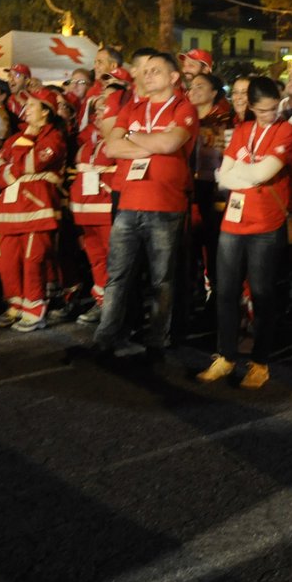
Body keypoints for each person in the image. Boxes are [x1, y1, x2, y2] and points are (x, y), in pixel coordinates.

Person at [76, 52, 198, 362]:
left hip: (165, 204)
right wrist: (151, 139)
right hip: (129, 202)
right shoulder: (133, 107)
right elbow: (112, 146)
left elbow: (170, 145)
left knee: (162, 279)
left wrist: (134, 137)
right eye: (144, 71)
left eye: (156, 71)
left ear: (174, 78)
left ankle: (158, 338)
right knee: (117, 275)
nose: (147, 75)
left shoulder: (183, 107)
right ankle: (106, 337)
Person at [199, 77, 292, 389]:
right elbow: (222, 177)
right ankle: (226, 356)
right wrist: (242, 175)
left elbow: (260, 173)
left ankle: (260, 361)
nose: (268, 115)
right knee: (226, 291)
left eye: (273, 109)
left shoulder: (287, 131)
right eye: (261, 110)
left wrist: (238, 173)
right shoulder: (242, 130)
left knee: (262, 293)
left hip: (267, 224)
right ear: (252, 107)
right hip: (233, 220)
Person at [0, 88, 67, 332]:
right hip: (9, 209)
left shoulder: (54, 137)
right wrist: (16, 169)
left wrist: (14, 167)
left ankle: (34, 309)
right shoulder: (15, 138)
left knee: (32, 259)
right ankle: (14, 305)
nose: (27, 108)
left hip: (38, 208)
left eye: (33, 105)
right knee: (6, 261)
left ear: (46, 112)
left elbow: (35, 161)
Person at [68, 73, 126, 322]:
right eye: (98, 106)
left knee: (113, 256)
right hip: (84, 207)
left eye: (106, 106)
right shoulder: (86, 137)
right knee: (95, 257)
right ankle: (102, 301)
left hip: (106, 207)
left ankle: (116, 306)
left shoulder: (121, 137)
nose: (100, 110)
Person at [188, 72, 234, 314]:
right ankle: (194, 291)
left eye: (200, 86)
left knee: (212, 242)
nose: (193, 90)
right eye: (191, 86)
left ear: (214, 92)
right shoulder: (184, 117)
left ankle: (215, 294)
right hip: (188, 187)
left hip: (214, 188)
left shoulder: (223, 120)